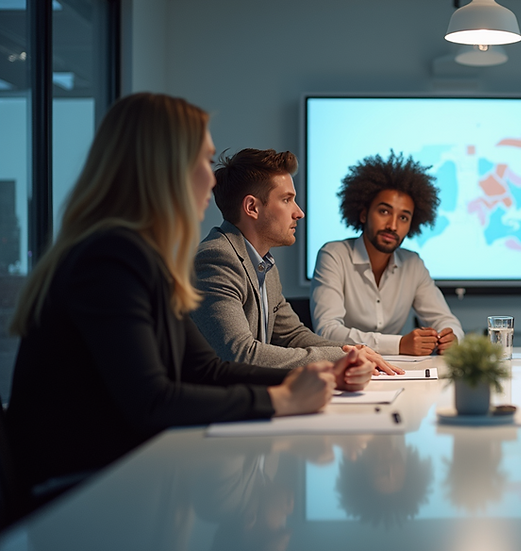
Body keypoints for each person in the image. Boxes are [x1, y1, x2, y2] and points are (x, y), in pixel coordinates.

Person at [4, 93, 375, 493]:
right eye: (202, 160)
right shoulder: (110, 258)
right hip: (75, 493)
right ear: (163, 169)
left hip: (114, 478)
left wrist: (319, 374)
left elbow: (205, 369)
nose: (211, 177)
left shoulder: (143, 255)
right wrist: (282, 400)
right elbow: (152, 401)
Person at [191, 148, 400, 376]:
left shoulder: (264, 264)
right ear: (252, 207)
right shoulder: (216, 259)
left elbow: (293, 336)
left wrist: (351, 351)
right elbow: (242, 354)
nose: (299, 213)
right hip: (220, 406)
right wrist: (339, 357)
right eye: (287, 200)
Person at [310, 152, 463, 355]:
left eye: (403, 218)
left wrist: (451, 339)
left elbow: (447, 321)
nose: (392, 226)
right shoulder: (333, 255)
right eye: (384, 211)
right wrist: (398, 345)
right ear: (364, 214)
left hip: (397, 371)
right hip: (344, 369)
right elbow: (327, 331)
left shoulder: (413, 264)